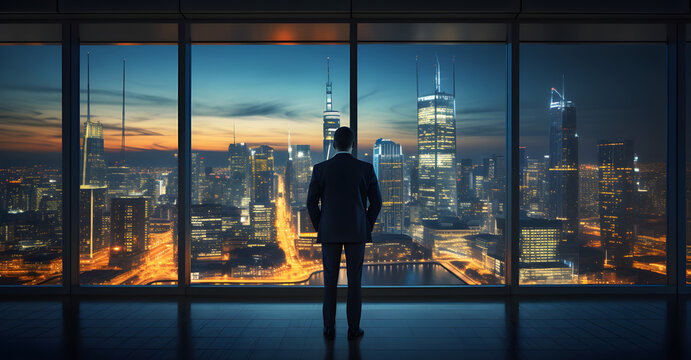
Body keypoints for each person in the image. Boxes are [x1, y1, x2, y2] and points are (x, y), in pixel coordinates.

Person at [306, 126, 382, 340]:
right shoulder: (365, 169)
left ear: (333, 144)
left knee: (329, 281)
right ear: (353, 145)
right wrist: (365, 224)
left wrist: (321, 225)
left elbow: (311, 203)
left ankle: (328, 328)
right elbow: (377, 203)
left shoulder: (320, 169)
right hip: (356, 231)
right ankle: (353, 328)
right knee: (354, 282)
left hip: (329, 230)